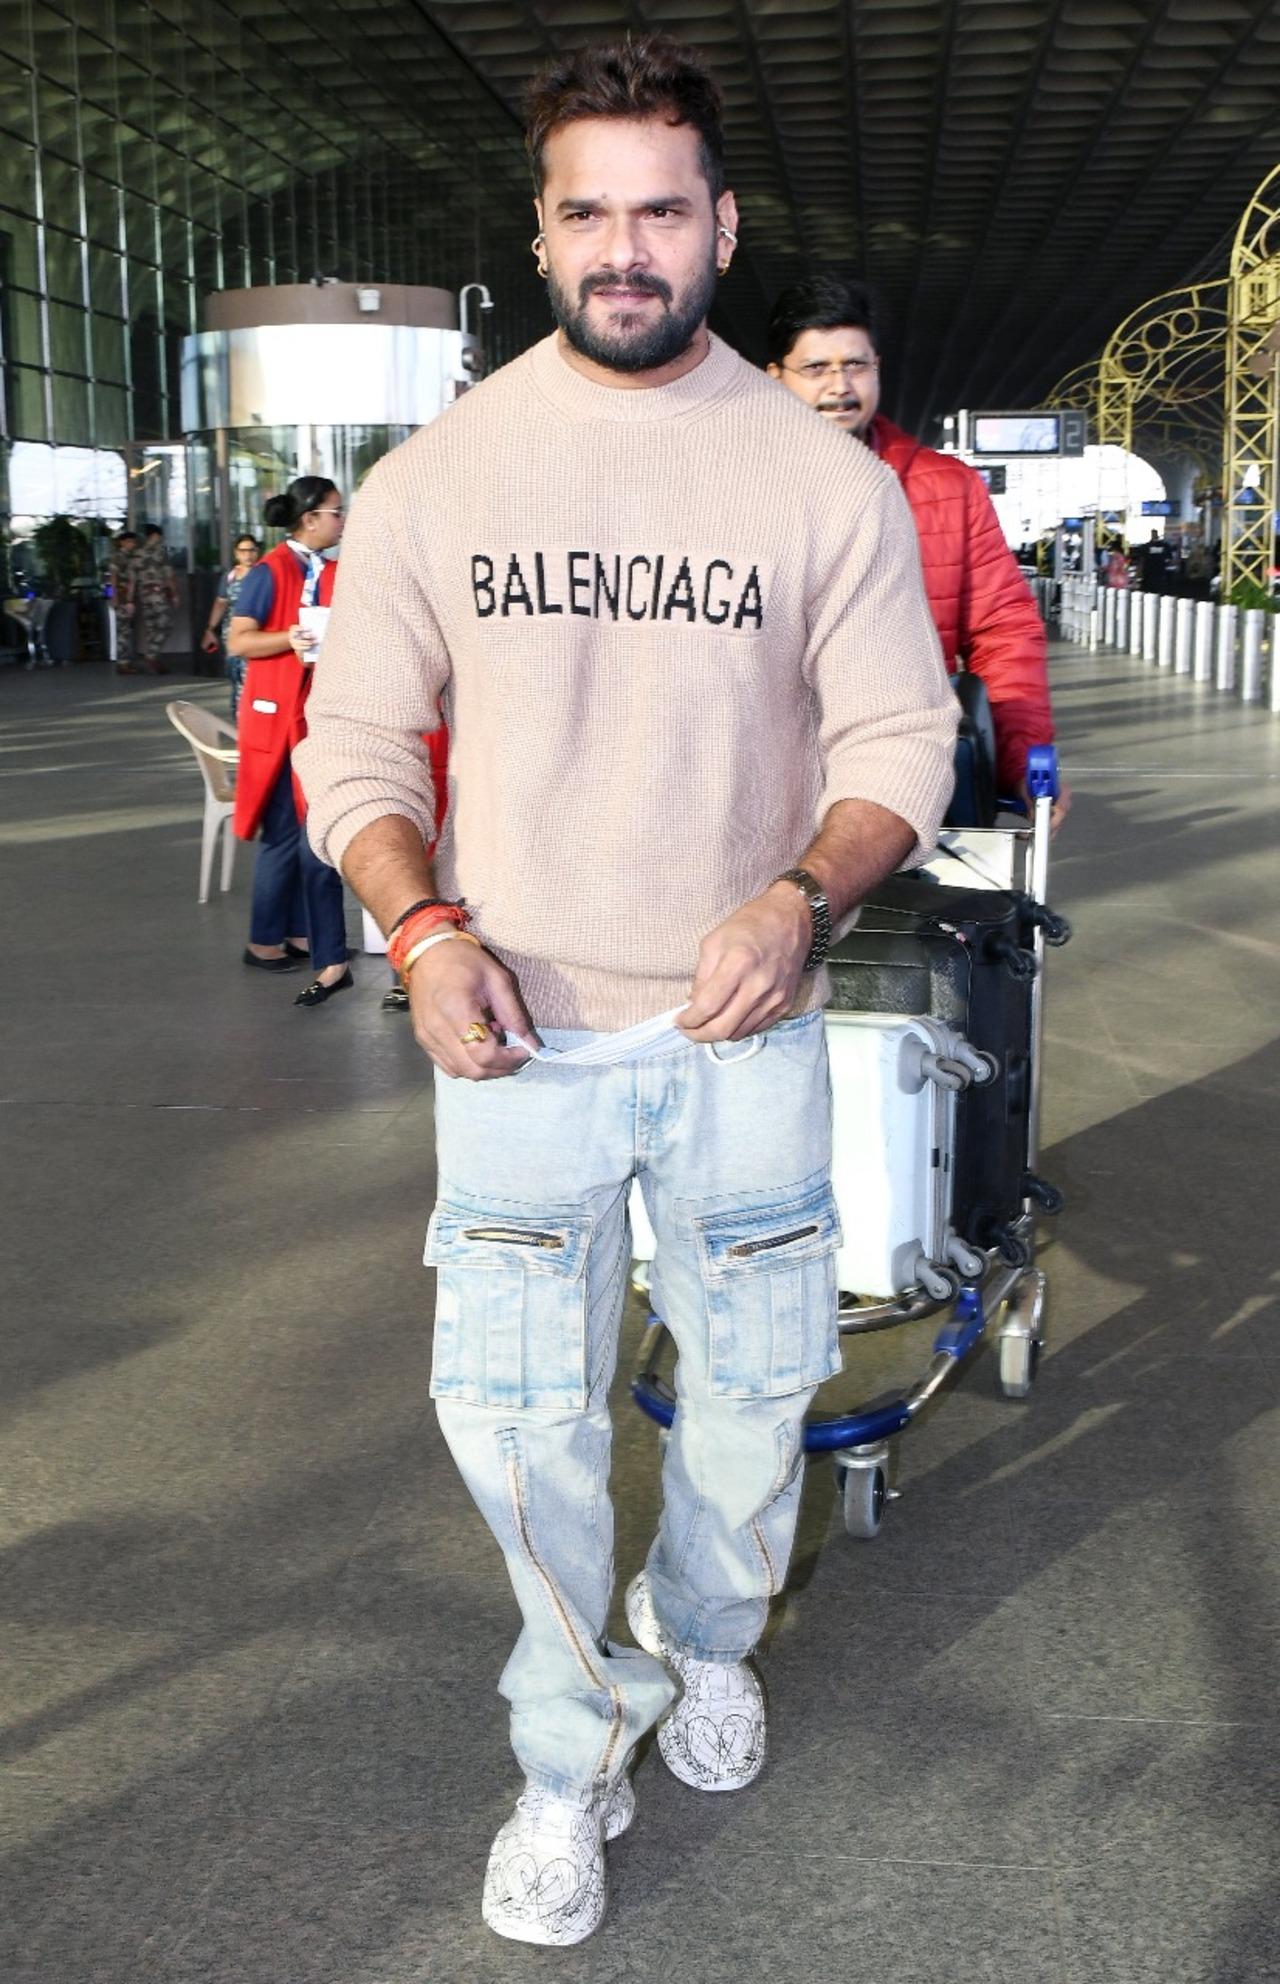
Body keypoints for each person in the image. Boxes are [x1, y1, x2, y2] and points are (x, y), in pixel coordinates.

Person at [296, 34, 957, 1948]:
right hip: (515, 1036)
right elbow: (358, 751)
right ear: (541, 230)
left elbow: (901, 740)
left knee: (754, 1401)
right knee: (521, 1422)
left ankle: (711, 1636)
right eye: (587, 209)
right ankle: (571, 1750)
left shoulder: (812, 476)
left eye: (661, 208)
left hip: (739, 1025)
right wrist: (421, 933)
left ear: (721, 225)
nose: (625, 245)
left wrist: (798, 893)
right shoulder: (446, 473)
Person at [766, 275, 1068, 828]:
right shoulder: (730, 487)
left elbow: (1003, 630)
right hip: (764, 784)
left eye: (855, 365)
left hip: (908, 782)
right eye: (816, 368)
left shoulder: (948, 486)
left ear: (877, 366)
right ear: (775, 379)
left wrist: (1021, 759)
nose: (840, 385)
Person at [227, 478, 351, 1006]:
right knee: (283, 831)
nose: (342, 520)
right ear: (309, 519)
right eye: (336, 512)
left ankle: (299, 933)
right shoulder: (269, 572)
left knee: (307, 830)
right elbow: (239, 640)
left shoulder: (324, 569)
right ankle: (263, 940)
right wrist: (290, 638)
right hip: (276, 720)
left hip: (307, 716)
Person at [201, 533, 262, 719]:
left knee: (251, 679)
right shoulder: (230, 577)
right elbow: (221, 603)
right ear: (237, 553)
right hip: (233, 637)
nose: (248, 555)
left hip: (257, 637)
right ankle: (240, 720)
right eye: (243, 551)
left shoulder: (263, 574)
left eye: (252, 550)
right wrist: (210, 629)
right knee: (236, 678)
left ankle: (249, 720)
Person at [132, 524, 179, 675]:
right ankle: (151, 656)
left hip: (143, 595)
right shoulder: (160, 552)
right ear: (154, 536)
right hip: (157, 594)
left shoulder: (137, 553)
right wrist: (175, 594)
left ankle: (154, 660)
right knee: (166, 625)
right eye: (159, 536)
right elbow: (169, 575)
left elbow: (132, 579)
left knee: (152, 628)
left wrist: (129, 599)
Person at [108, 530, 140, 675]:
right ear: (122, 542)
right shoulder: (118, 557)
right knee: (123, 631)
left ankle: (125, 662)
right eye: (129, 541)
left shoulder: (129, 557)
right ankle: (123, 663)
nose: (132, 544)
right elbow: (113, 579)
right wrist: (114, 597)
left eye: (133, 542)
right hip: (122, 597)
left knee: (126, 630)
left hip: (127, 597)